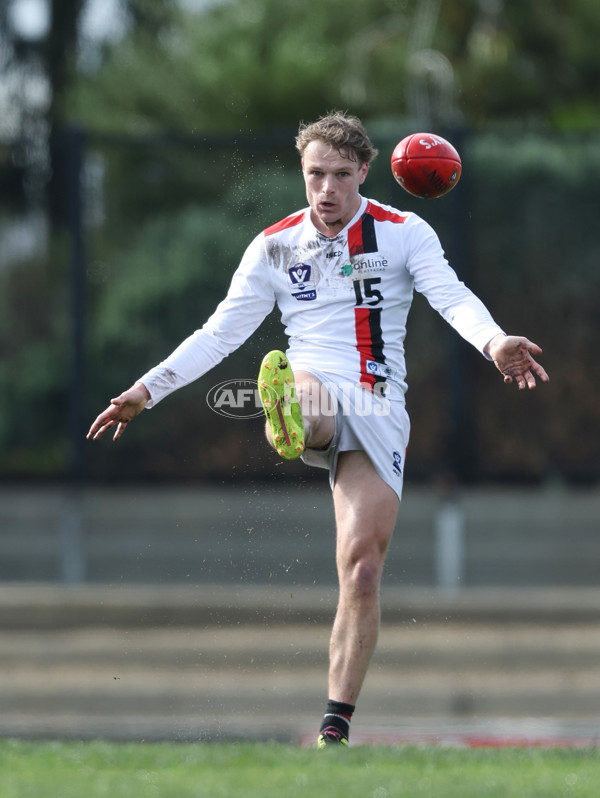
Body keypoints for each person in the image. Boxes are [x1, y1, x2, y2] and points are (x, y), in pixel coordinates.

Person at [87, 111, 549, 748]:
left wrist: (495, 342)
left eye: (338, 174)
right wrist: (145, 390)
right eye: (314, 175)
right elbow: (219, 334)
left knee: (360, 572)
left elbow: (452, 296)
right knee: (304, 388)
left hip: (381, 405)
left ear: (364, 170)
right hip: (311, 379)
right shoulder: (273, 246)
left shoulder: (403, 232)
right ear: (301, 175)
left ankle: (335, 728)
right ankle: (295, 414)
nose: (326, 189)